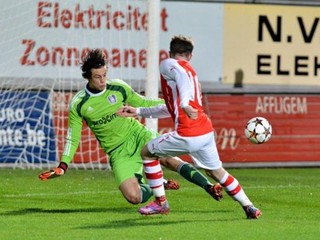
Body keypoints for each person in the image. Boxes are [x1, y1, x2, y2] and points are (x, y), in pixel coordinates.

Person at [38, 48, 222, 215]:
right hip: (118, 152)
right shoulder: (79, 103)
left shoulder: (118, 87)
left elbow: (144, 103)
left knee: (169, 159)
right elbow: (73, 137)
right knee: (133, 197)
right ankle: (158, 183)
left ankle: (209, 186)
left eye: (105, 75)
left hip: (138, 135)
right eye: (98, 77)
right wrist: (63, 165)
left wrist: (174, 106)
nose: (103, 80)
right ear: (88, 77)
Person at [118, 35, 262, 219]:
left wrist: (185, 103)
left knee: (147, 152)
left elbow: (180, 76)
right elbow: (169, 108)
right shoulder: (192, 73)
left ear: (170, 53)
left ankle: (161, 203)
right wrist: (138, 110)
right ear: (190, 55)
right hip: (205, 131)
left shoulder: (169, 65)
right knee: (216, 172)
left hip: (188, 133)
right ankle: (249, 206)